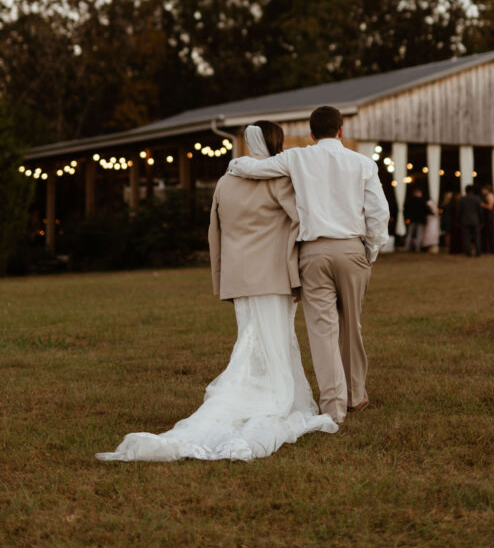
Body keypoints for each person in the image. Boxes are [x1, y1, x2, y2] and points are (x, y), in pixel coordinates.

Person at [96, 120, 337, 463]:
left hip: (240, 277)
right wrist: (298, 273)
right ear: (276, 142)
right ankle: (271, 396)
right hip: (273, 277)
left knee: (253, 336)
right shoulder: (279, 179)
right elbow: (301, 223)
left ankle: (258, 389)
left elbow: (215, 232)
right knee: (276, 338)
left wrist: (221, 276)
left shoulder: (226, 180)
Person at [228, 105, 390, 424]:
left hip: (314, 253)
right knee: (351, 326)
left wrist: (234, 162)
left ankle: (333, 407)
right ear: (341, 131)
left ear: (312, 134)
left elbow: (253, 168)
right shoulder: (363, 164)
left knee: (322, 330)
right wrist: (370, 252)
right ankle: (356, 396)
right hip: (352, 250)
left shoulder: (298, 157)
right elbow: (378, 214)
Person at [459, 184, 482, 257]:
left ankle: (468, 253)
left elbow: (460, 211)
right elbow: (480, 211)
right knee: (477, 237)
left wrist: (458, 220)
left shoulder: (462, 199)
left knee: (467, 237)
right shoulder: (477, 198)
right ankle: (478, 252)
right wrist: (481, 220)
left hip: (465, 221)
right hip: (475, 220)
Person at [404, 186, 429, 252]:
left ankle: (407, 247)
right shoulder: (422, 201)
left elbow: (406, 209)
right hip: (420, 220)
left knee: (410, 233)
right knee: (419, 234)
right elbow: (426, 210)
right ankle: (417, 248)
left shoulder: (410, 200)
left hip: (412, 219)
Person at [480, 184, 494, 254]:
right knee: (488, 232)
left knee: (489, 232)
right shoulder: (488, 196)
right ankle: (489, 248)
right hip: (488, 216)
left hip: (489, 216)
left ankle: (490, 248)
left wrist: (482, 205)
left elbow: (490, 207)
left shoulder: (490, 196)